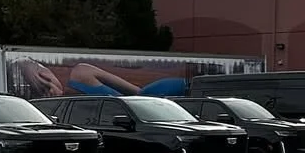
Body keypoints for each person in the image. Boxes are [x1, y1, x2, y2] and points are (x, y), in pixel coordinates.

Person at [16, 58, 187, 99]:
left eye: (46, 88)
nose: (50, 93)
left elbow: (137, 93)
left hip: (148, 103)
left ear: (46, 75)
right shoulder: (67, 101)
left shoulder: (81, 72)